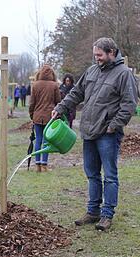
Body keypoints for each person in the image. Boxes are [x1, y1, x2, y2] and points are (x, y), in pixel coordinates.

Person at [52, 37, 138, 231]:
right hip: (89, 131)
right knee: (92, 174)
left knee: (110, 175)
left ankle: (107, 214)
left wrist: (113, 125)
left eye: (99, 55)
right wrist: (61, 107)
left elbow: (129, 104)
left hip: (108, 133)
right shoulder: (91, 71)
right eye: (95, 55)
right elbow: (76, 93)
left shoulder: (124, 74)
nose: (96, 59)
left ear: (111, 53)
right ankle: (93, 211)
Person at [29, 65, 61, 172]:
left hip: (37, 116)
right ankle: (44, 165)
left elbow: (32, 103)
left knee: (38, 139)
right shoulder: (54, 85)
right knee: (46, 141)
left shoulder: (35, 85)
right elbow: (58, 101)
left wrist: (32, 115)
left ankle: (37, 165)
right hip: (50, 117)